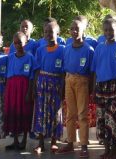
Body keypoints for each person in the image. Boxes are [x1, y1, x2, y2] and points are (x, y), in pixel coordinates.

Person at [91, 18, 116, 159]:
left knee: (114, 119)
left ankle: (114, 151)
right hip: (102, 88)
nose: (109, 32)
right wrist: (94, 90)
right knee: (102, 119)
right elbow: (95, 71)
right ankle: (107, 149)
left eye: (112, 30)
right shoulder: (99, 48)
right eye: (106, 30)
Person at [56, 19, 94, 158]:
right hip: (69, 80)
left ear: (83, 30)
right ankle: (70, 142)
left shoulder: (89, 49)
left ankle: (84, 145)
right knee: (70, 113)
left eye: (77, 29)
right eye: (72, 29)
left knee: (82, 114)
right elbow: (63, 68)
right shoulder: (67, 48)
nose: (74, 31)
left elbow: (91, 71)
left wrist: (91, 88)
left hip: (82, 81)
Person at [32, 21, 65, 154]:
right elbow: (36, 70)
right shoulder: (40, 50)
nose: (48, 34)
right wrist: (34, 87)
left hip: (56, 84)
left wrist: (62, 87)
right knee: (41, 112)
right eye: (46, 32)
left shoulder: (62, 50)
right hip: (42, 84)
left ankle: (54, 142)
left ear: (57, 33)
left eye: (51, 31)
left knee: (55, 112)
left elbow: (63, 72)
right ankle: (40, 143)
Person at [4, 32, 36, 150]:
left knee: (24, 112)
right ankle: (15, 140)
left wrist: (30, 91)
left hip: (24, 87)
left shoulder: (30, 57)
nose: (18, 45)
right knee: (13, 112)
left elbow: (32, 76)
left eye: (20, 43)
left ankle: (24, 140)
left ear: (25, 43)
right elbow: (7, 75)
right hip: (12, 88)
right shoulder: (10, 57)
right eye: (15, 43)